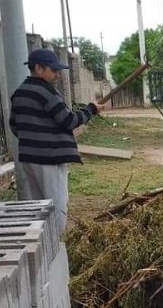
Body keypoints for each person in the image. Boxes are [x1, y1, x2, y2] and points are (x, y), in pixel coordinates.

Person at [9, 49, 104, 232]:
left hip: (29, 158)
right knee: (57, 206)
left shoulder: (19, 93)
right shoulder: (46, 92)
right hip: (50, 159)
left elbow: (14, 126)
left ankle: (41, 245)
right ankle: (57, 245)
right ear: (38, 68)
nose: (57, 75)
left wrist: (34, 139)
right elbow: (68, 120)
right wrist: (90, 110)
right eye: (53, 70)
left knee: (39, 207)